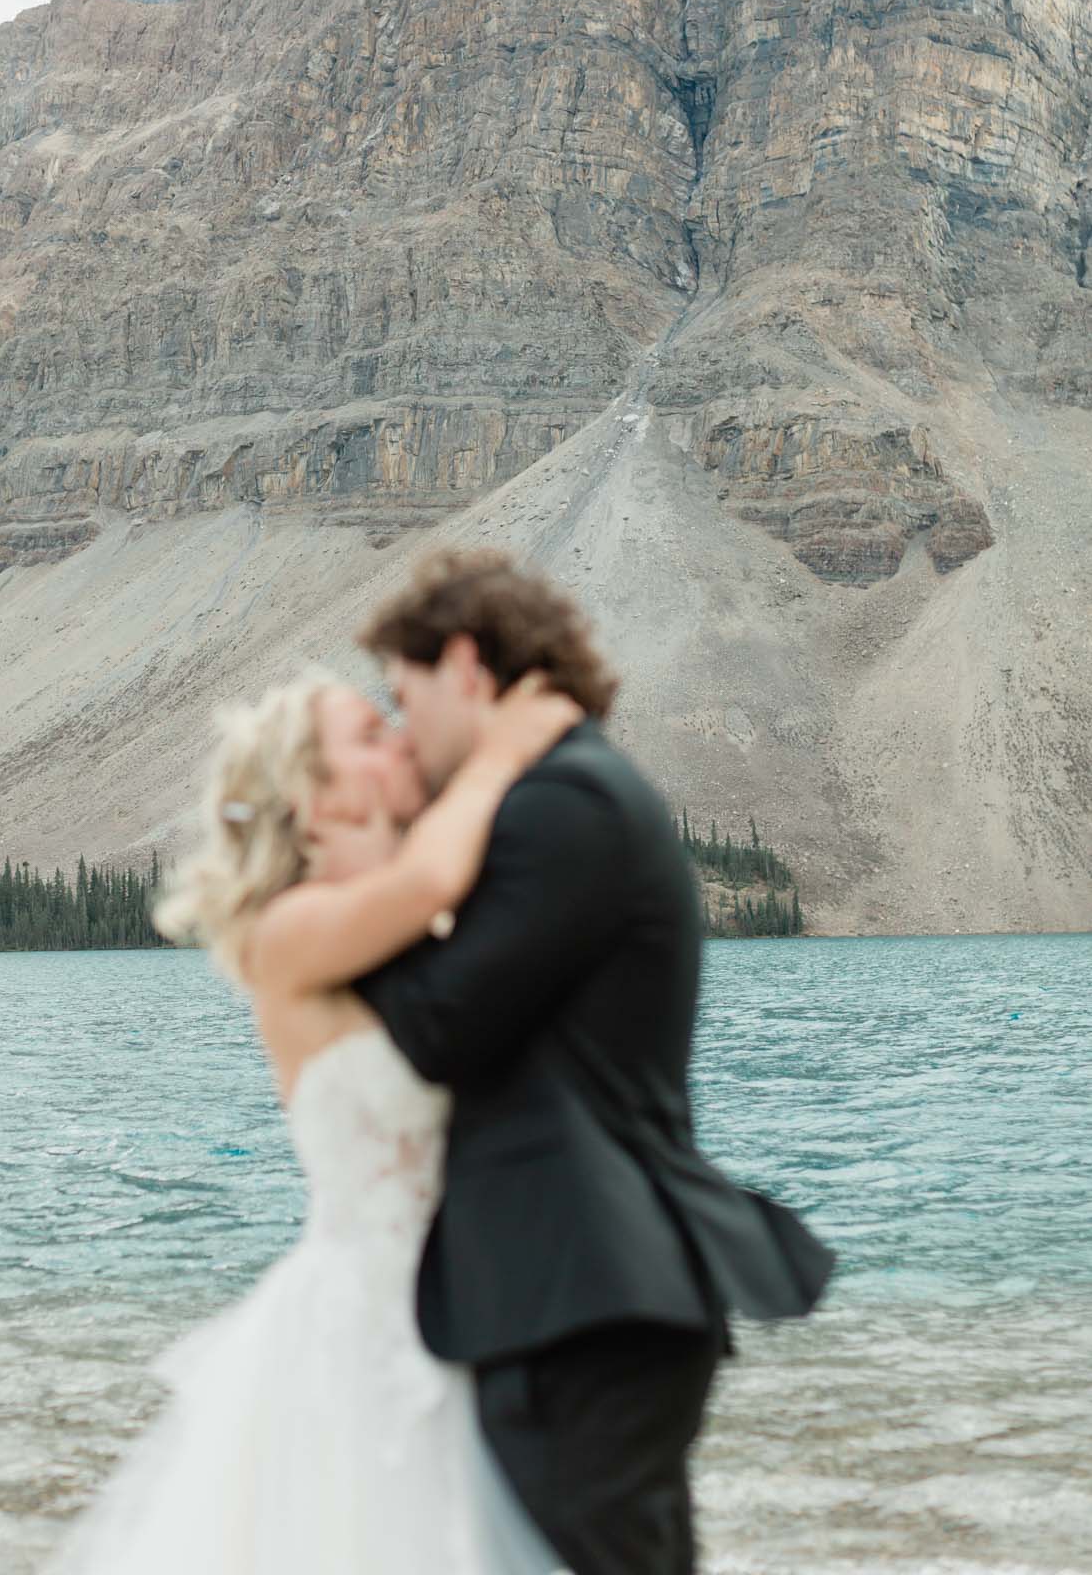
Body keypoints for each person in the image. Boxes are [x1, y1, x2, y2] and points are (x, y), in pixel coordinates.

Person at [352, 549, 836, 1575]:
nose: (402, 731)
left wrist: (360, 880)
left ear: (469, 668)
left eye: (405, 696)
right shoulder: (573, 796)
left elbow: (436, 1025)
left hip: (588, 1302)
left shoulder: (564, 804)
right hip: (587, 1292)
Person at [47, 660, 583, 1575]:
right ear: (314, 795)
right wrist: (503, 753)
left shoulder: (427, 933)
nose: (400, 740)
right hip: (369, 1325)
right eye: (370, 736)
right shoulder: (288, 932)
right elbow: (428, 880)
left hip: (479, 1307)